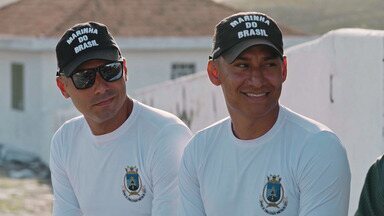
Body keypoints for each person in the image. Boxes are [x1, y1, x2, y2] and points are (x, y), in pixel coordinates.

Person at [178, 12, 351, 215]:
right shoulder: (198, 152)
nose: (257, 80)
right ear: (214, 72)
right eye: (242, 66)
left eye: (269, 65)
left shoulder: (318, 147)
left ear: (284, 69)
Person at [50, 21, 192, 216]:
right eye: (84, 78)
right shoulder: (65, 141)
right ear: (63, 87)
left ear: (124, 69)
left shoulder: (166, 136)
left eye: (110, 70)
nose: (101, 87)